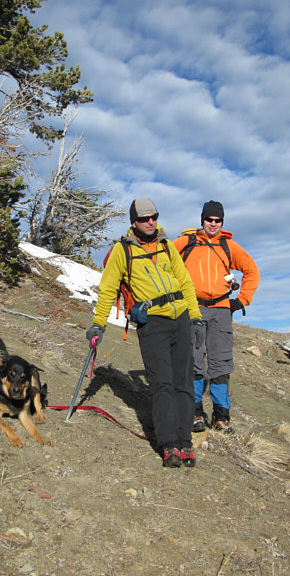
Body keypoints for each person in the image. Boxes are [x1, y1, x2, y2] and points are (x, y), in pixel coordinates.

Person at [87, 198, 205, 468]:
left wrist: (196, 319)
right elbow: (107, 289)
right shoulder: (122, 251)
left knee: (183, 383)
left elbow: (185, 281)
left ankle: (185, 441)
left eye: (154, 216)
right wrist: (98, 323)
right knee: (162, 384)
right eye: (144, 218)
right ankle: (168, 445)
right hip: (153, 325)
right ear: (134, 222)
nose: (151, 222)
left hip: (181, 318)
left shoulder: (166, 245)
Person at [174, 200, 259, 434]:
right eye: (209, 220)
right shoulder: (186, 243)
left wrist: (241, 300)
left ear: (222, 222)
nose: (213, 224)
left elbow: (252, 270)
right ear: (202, 220)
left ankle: (222, 417)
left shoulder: (229, 246)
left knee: (221, 362)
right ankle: (194, 413)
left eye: (217, 220)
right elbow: (162, 259)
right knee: (194, 361)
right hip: (194, 309)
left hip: (222, 311)